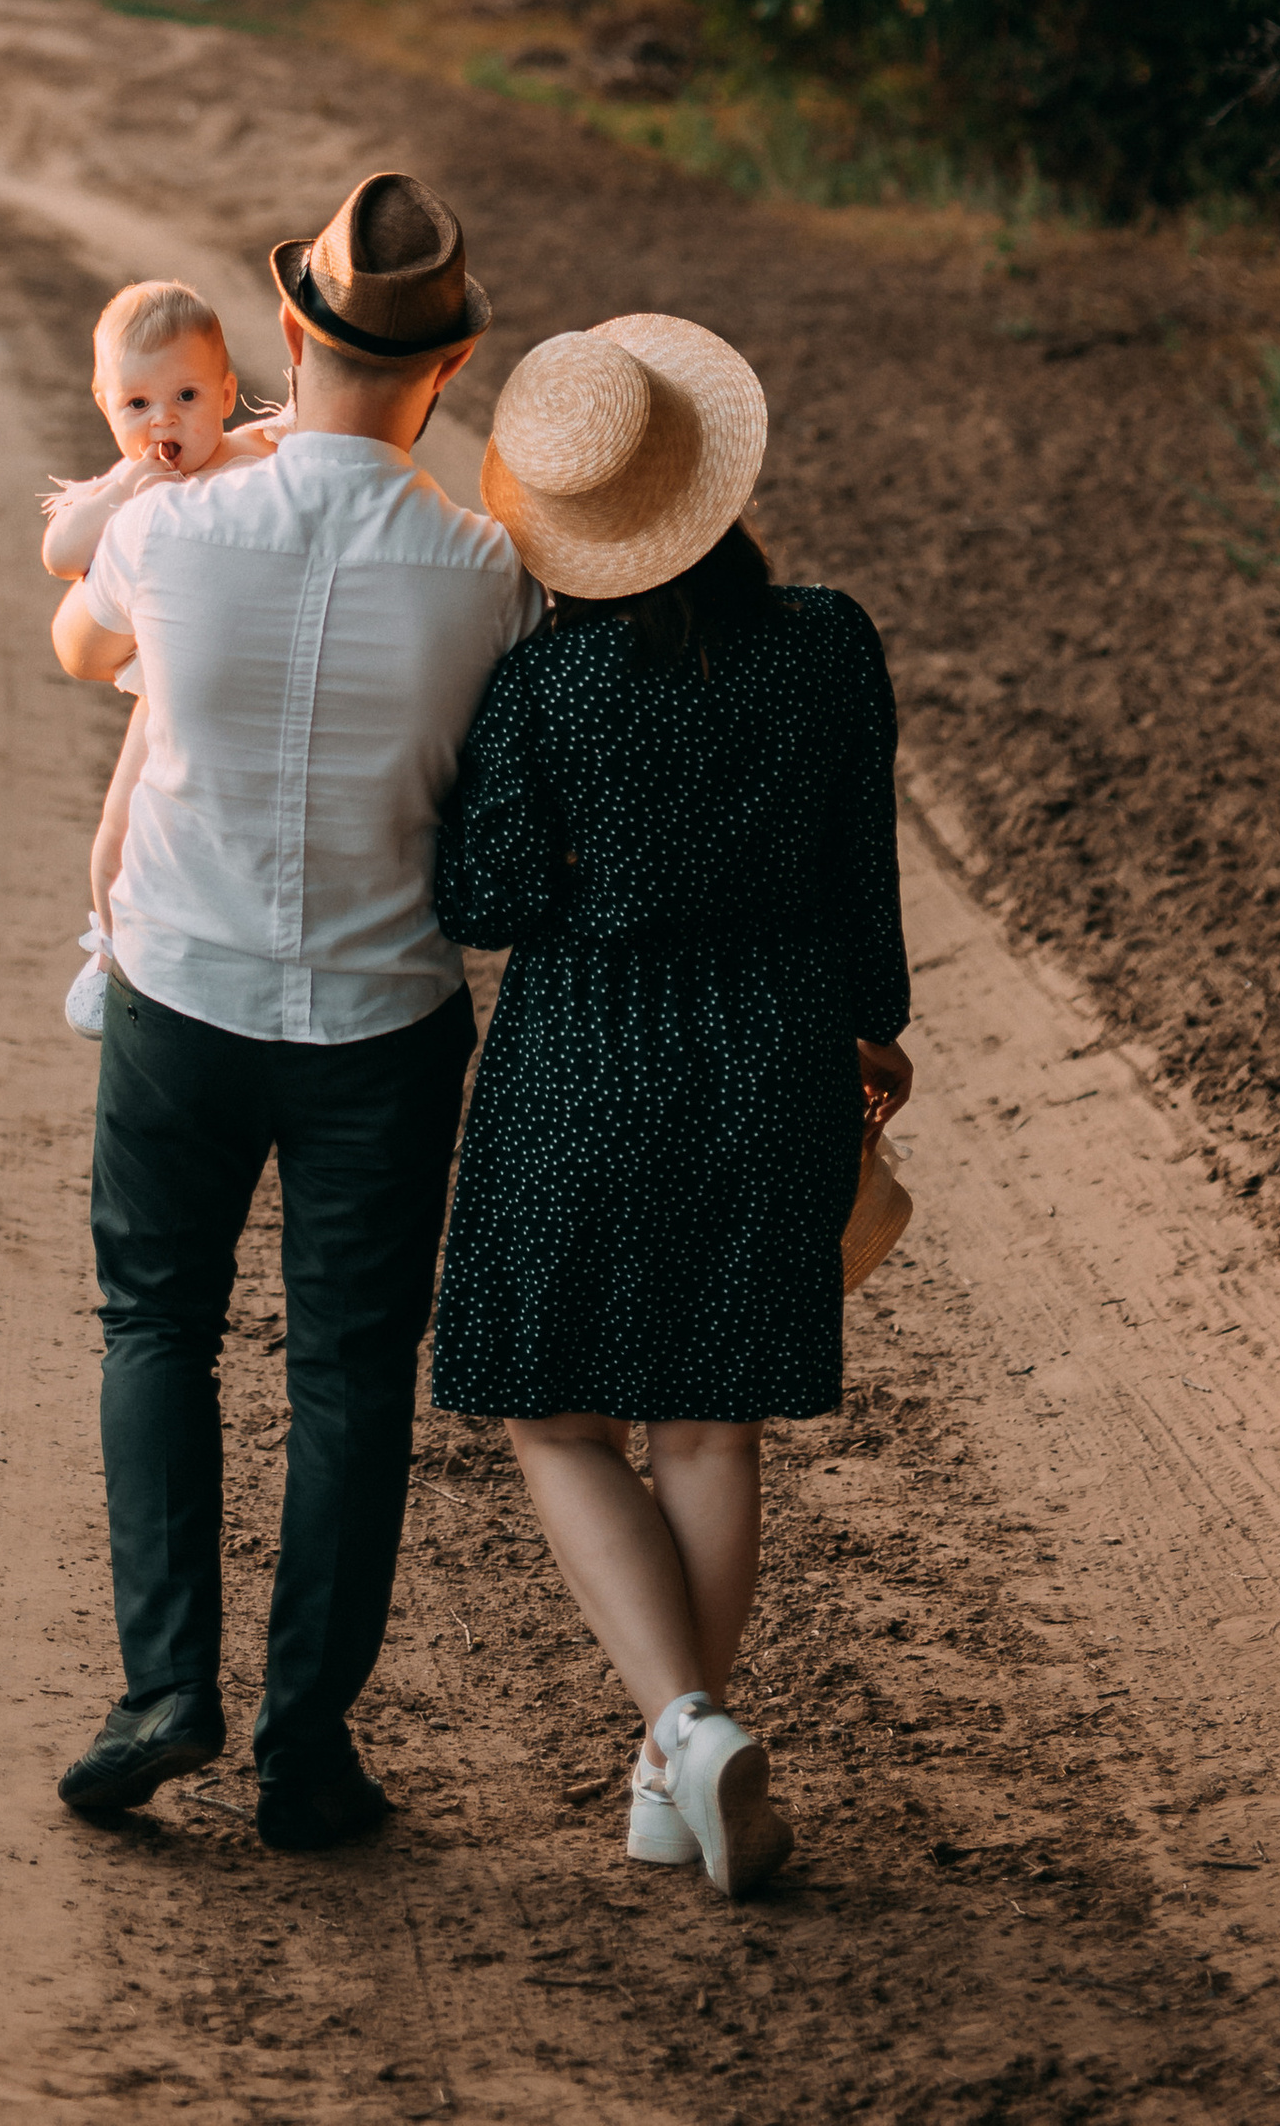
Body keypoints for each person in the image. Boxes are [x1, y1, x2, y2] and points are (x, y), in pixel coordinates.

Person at [47, 175, 544, 1849]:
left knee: (155, 1327)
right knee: (347, 1378)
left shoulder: (165, 528)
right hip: (384, 1023)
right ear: (452, 359)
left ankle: (160, 1687)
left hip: (180, 992)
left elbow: (81, 639)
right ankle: (303, 1751)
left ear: (283, 333)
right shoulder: (490, 574)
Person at [427, 315, 910, 1899]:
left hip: (587, 1054)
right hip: (771, 1048)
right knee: (708, 1418)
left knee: (550, 1407)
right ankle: (669, 1770)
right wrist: (869, 1030)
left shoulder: (544, 683)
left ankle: (685, 1723)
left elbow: (483, 894)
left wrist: (572, 862)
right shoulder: (830, 640)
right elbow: (859, 871)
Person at [40, 281, 280, 1027]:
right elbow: (59, 552)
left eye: (185, 394)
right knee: (119, 822)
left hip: (240, 669)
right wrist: (121, 493)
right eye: (135, 405)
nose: (163, 421)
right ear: (105, 404)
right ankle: (110, 948)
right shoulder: (126, 483)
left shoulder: (254, 454)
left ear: (228, 391)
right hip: (165, 682)